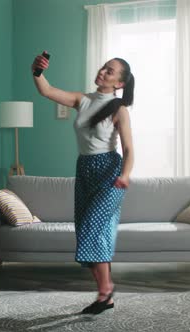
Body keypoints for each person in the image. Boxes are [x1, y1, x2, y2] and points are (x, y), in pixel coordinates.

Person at [31, 52, 135, 314]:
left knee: (92, 228)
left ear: (119, 84)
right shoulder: (82, 99)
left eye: (109, 71)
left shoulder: (119, 110)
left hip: (110, 173)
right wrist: (37, 72)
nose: (103, 71)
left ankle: (106, 288)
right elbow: (48, 91)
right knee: (88, 231)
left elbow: (129, 149)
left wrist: (125, 175)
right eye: (103, 67)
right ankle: (105, 297)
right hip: (85, 169)